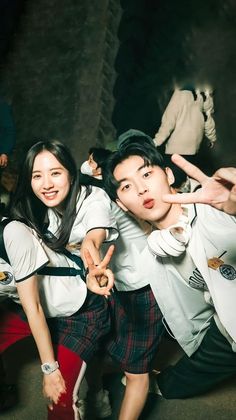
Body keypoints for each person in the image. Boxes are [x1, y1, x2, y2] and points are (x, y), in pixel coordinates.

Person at [104, 137, 236, 400]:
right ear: (121, 204)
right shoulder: (154, 252)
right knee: (171, 387)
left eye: (147, 174)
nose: (141, 189)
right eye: (127, 186)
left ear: (168, 175)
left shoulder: (216, 209)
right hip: (224, 330)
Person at [0, 139, 118, 420]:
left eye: (55, 173)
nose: (47, 184)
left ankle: (97, 390)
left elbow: (93, 236)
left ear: (71, 174)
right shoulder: (36, 208)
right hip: (43, 296)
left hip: (82, 300)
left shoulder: (93, 198)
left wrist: (49, 370)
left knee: (64, 394)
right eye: (36, 176)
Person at [78, 141, 164, 420]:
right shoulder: (100, 191)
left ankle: (137, 375)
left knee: (136, 366)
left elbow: (97, 232)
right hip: (121, 281)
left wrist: (89, 245)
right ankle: (131, 374)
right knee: (117, 343)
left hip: (141, 282)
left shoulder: (102, 197)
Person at [153, 86, 217, 188]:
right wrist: (211, 137)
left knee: (175, 183)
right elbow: (208, 118)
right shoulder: (204, 92)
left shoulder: (179, 93)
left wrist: (156, 141)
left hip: (176, 148)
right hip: (194, 147)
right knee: (191, 180)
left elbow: (169, 122)